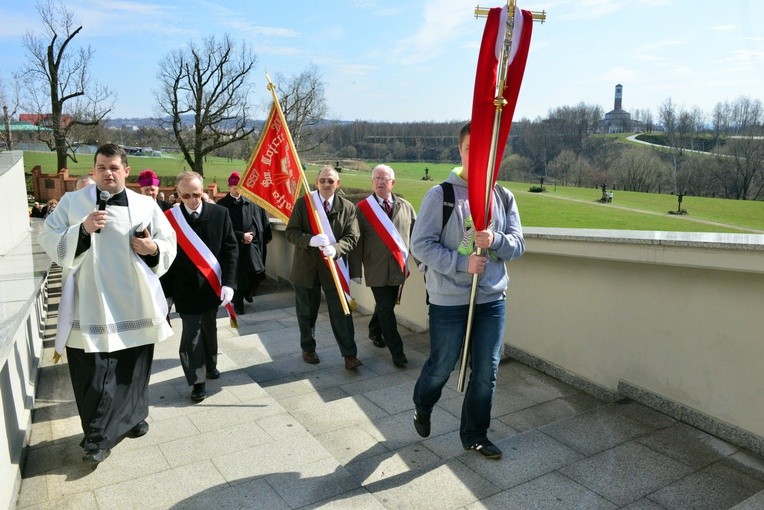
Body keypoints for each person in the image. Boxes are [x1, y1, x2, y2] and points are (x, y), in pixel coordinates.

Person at [37, 143, 177, 466]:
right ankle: (97, 438)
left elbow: (169, 242)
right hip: (91, 304)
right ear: (94, 170)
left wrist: (152, 247)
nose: (107, 173)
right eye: (101, 167)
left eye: (114, 167)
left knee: (132, 369)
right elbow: (48, 235)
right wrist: (82, 230)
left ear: (126, 171)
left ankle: (131, 418)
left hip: (133, 304)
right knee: (95, 374)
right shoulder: (74, 202)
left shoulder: (145, 205)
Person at [410, 122, 525, 460]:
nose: (477, 156)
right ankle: (423, 402)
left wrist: (496, 241)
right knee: (443, 364)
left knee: (487, 370)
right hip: (449, 298)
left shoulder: (503, 195)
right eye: (469, 149)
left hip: (490, 298)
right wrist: (462, 264)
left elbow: (518, 246)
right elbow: (421, 245)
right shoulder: (441, 195)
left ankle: (474, 434)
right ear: (460, 152)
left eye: (485, 150)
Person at [162, 171, 238, 402]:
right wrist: (165, 295)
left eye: (197, 194)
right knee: (191, 333)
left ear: (203, 190)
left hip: (212, 287)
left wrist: (229, 284)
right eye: (186, 196)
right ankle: (197, 381)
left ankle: (211, 364)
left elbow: (230, 250)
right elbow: (164, 259)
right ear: (178, 195)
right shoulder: (168, 219)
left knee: (209, 328)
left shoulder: (220, 213)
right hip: (183, 289)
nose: (193, 200)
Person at [285, 165, 362, 370]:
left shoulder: (348, 207)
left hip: (333, 268)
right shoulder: (304, 204)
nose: (326, 184)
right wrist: (310, 240)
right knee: (306, 312)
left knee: (342, 312)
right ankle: (308, 348)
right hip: (306, 267)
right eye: (322, 181)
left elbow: (352, 237)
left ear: (338, 184)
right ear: (316, 182)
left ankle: (349, 354)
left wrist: (336, 249)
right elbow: (291, 232)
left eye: (330, 181)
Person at [349, 164, 416, 367]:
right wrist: (355, 270)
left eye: (384, 178)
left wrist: (424, 264)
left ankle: (374, 330)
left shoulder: (406, 206)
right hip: (375, 268)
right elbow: (355, 241)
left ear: (392, 183)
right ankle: (397, 352)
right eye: (377, 178)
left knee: (385, 305)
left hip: (398, 268)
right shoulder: (362, 208)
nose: (380, 181)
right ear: (372, 182)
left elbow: (418, 238)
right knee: (387, 309)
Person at [217, 171, 272, 315]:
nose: (237, 189)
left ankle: (249, 291)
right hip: (233, 246)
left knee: (256, 272)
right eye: (234, 186)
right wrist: (241, 236)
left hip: (251, 245)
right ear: (229, 187)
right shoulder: (222, 205)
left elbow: (256, 222)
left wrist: (255, 238)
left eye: (240, 186)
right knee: (239, 276)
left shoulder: (250, 203)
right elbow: (222, 229)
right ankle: (238, 302)